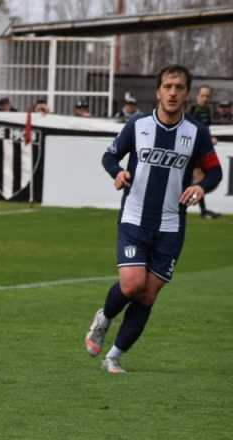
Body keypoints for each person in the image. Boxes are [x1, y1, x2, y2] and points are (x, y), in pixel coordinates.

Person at [84, 65, 223, 373]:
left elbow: (215, 171)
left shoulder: (196, 133)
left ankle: (114, 356)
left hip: (171, 225)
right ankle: (104, 319)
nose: (173, 92)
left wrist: (201, 186)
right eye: (168, 86)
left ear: (187, 93)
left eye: (179, 87)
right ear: (159, 91)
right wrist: (117, 173)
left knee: (148, 293)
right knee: (132, 285)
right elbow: (109, 156)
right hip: (135, 217)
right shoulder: (138, 125)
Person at [185, 85, 222, 219]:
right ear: (197, 96)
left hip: (201, 149)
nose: (205, 98)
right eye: (202, 95)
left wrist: (211, 138)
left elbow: (205, 130)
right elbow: (189, 129)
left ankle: (202, 210)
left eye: (207, 96)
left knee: (198, 180)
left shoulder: (207, 110)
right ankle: (201, 210)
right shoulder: (193, 110)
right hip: (191, 149)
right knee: (197, 179)